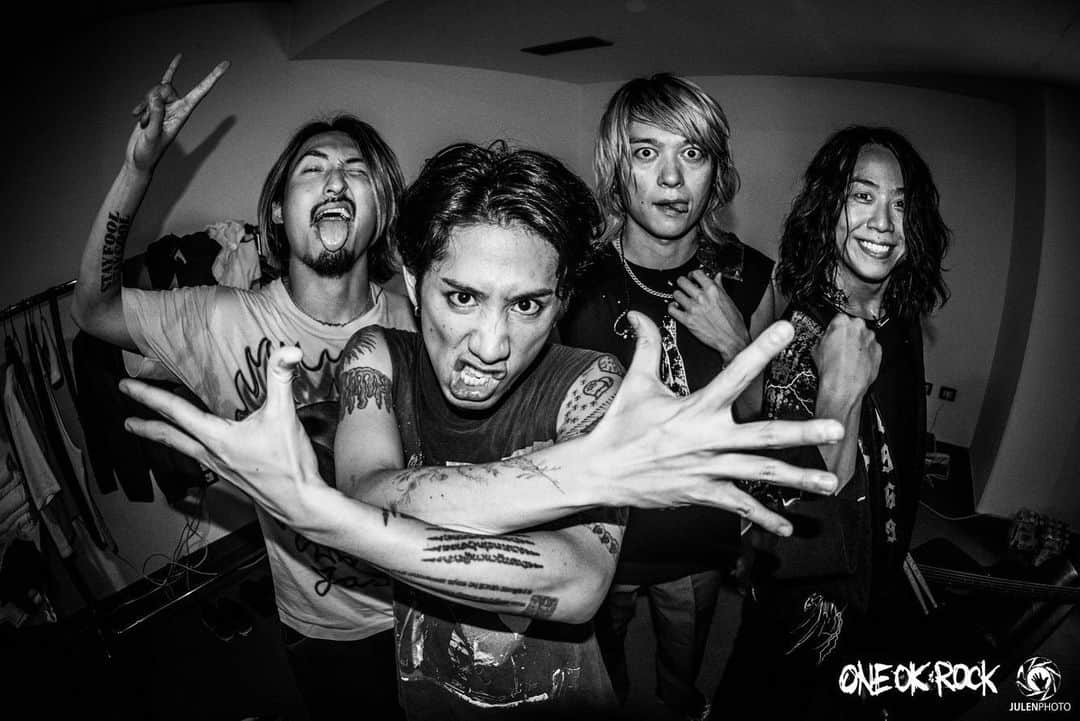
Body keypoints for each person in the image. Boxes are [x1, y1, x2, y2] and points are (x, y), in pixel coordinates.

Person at [119, 141, 846, 719]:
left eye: (527, 306)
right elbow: (369, 486)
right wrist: (581, 474)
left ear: (560, 301)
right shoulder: (377, 356)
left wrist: (326, 516)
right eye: (462, 297)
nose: (491, 344)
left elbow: (577, 583)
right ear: (413, 284)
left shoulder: (591, 384)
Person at [70, 55, 415, 720]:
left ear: (380, 211)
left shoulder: (420, 319)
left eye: (355, 170)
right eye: (312, 169)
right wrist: (137, 172)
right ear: (279, 214)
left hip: (430, 599)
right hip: (326, 631)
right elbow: (95, 310)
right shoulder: (223, 319)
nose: (334, 180)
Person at [558, 73, 777, 720]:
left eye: (693, 153)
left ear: (717, 171)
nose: (673, 178)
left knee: (683, 673)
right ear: (616, 167)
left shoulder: (750, 276)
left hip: (698, 535)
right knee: (601, 674)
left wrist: (737, 345)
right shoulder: (572, 275)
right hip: (599, 534)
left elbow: (762, 418)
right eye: (647, 152)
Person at [714, 126, 950, 719]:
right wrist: (839, 395)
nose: (884, 222)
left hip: (879, 557)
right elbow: (799, 523)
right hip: (808, 592)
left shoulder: (899, 312)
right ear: (829, 208)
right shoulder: (806, 333)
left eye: (901, 204)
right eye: (862, 196)